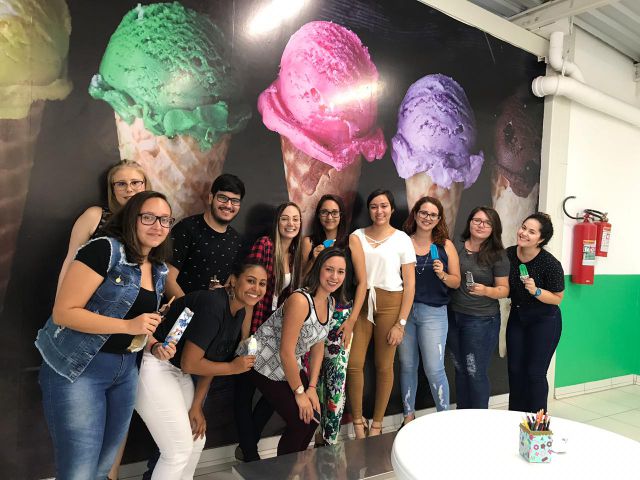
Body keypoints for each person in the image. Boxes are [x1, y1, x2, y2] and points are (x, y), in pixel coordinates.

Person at [35, 191, 173, 479]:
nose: (158, 226)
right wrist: (128, 326)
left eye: (165, 220)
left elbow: (139, 325)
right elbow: (64, 313)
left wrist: (154, 344)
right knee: (79, 472)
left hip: (124, 371)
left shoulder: (159, 269)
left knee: (102, 468)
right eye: (148, 217)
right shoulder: (105, 250)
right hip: (79, 369)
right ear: (131, 218)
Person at [135, 261, 268, 479]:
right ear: (234, 281)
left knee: (196, 438)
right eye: (251, 281)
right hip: (155, 361)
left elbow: (210, 360)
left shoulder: (239, 312)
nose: (256, 288)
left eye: (262, 284)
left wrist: (197, 405)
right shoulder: (214, 304)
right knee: (177, 450)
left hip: (178, 369)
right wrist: (233, 368)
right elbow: (191, 363)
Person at [243, 248, 347, 455]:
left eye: (341, 271)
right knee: (301, 421)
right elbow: (286, 351)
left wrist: (312, 387)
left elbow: (318, 345)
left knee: (313, 418)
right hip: (260, 360)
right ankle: (285, 469)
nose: (334, 277)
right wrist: (299, 393)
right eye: (329, 269)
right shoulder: (300, 300)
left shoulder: (330, 302)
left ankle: (295, 467)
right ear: (319, 269)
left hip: (286, 364)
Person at [234, 202, 303, 461]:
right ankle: (250, 454)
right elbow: (249, 291)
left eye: (295, 219)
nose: (290, 224)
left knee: (274, 392)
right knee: (244, 391)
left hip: (276, 332)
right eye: (285, 218)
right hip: (254, 325)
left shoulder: (295, 254)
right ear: (277, 221)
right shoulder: (265, 245)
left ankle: (247, 444)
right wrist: (245, 336)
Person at [346, 189, 416, 438]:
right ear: (369, 210)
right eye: (374, 206)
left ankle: (377, 424)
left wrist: (401, 323)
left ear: (392, 209)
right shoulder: (357, 236)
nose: (379, 211)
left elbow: (410, 285)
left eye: (384, 206)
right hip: (362, 302)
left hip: (391, 303)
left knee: (384, 366)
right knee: (354, 364)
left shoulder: (402, 239)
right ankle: (358, 423)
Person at [300, 194, 367, 445]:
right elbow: (302, 280)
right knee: (313, 377)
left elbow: (362, 283)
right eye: (324, 212)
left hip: (341, 316)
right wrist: (313, 258)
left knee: (336, 380)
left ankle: (331, 441)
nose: (329, 217)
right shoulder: (309, 242)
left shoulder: (351, 241)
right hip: (313, 315)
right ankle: (313, 435)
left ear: (341, 216)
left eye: (334, 212)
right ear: (318, 215)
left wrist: (351, 321)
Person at [398, 197, 460, 426]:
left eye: (433, 215)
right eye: (423, 213)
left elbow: (456, 282)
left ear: (439, 219)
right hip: (404, 312)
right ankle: (408, 416)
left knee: (434, 368)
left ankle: (444, 418)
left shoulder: (445, 246)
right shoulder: (402, 242)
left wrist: (442, 274)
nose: (427, 218)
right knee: (407, 366)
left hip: (434, 313)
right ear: (415, 214)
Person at [56, 159, 149, 295]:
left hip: (124, 303)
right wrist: (59, 301)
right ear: (113, 189)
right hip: (82, 298)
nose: (129, 189)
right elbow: (70, 261)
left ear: (145, 185)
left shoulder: (153, 224)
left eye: (135, 182)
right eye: (121, 184)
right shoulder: (95, 216)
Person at [448, 207, 510, 409]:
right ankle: (463, 414)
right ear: (469, 222)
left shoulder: (498, 255)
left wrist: (486, 290)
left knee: (475, 372)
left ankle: (479, 418)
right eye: (477, 220)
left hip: (481, 320)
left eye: (487, 223)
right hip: (454, 316)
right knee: (460, 369)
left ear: (494, 228)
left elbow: (504, 289)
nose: (481, 225)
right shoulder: (455, 245)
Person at [506, 212, 564, 413]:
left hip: (544, 320)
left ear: (541, 239)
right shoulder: (509, 254)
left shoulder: (550, 263)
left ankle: (537, 424)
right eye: (523, 228)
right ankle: (515, 418)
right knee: (515, 371)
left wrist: (536, 291)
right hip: (518, 316)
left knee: (535, 373)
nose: (524, 233)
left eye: (531, 232)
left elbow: (557, 298)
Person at [166, 173, 247, 299]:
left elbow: (229, 285)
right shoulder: (186, 228)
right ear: (210, 198)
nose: (228, 205)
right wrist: (188, 310)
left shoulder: (236, 240)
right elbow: (167, 279)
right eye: (223, 198)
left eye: (235, 201)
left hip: (213, 311)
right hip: (179, 309)